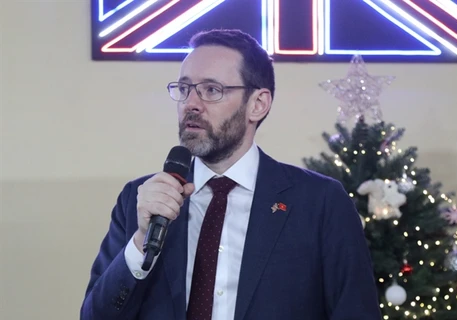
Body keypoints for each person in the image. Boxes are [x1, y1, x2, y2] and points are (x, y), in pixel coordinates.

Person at [80, 29, 382, 320]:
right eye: (184, 89)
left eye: (212, 90)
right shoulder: (142, 199)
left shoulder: (320, 203)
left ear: (257, 105)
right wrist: (141, 239)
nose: (191, 104)